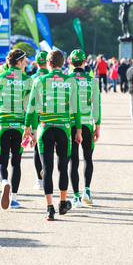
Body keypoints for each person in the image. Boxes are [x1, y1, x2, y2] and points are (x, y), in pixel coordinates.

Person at [23, 50, 82, 221]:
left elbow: (31, 108)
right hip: (64, 129)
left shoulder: (39, 80)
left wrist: (27, 128)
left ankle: (49, 209)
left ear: (48, 63)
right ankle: (63, 203)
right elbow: (76, 109)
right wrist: (78, 130)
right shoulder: (70, 81)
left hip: (45, 129)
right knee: (63, 168)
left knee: (47, 170)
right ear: (63, 63)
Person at [0, 49, 31, 209]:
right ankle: (14, 198)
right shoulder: (27, 79)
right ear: (19, 62)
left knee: (1, 163)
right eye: (25, 62)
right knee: (16, 163)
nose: (26, 65)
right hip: (19, 126)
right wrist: (29, 129)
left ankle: (4, 182)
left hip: (3, 125)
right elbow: (30, 107)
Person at [68, 49, 101, 207]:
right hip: (88, 124)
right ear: (85, 62)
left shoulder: (66, 80)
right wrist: (98, 127)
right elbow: (97, 106)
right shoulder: (92, 81)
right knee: (87, 158)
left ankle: (75, 197)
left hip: (71, 124)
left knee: (73, 160)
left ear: (70, 62)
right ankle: (86, 191)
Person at [30, 51, 49, 191]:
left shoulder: (31, 79)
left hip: (36, 117)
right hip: (51, 116)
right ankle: (49, 176)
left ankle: (39, 180)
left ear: (36, 63)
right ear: (48, 63)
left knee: (37, 148)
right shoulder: (52, 78)